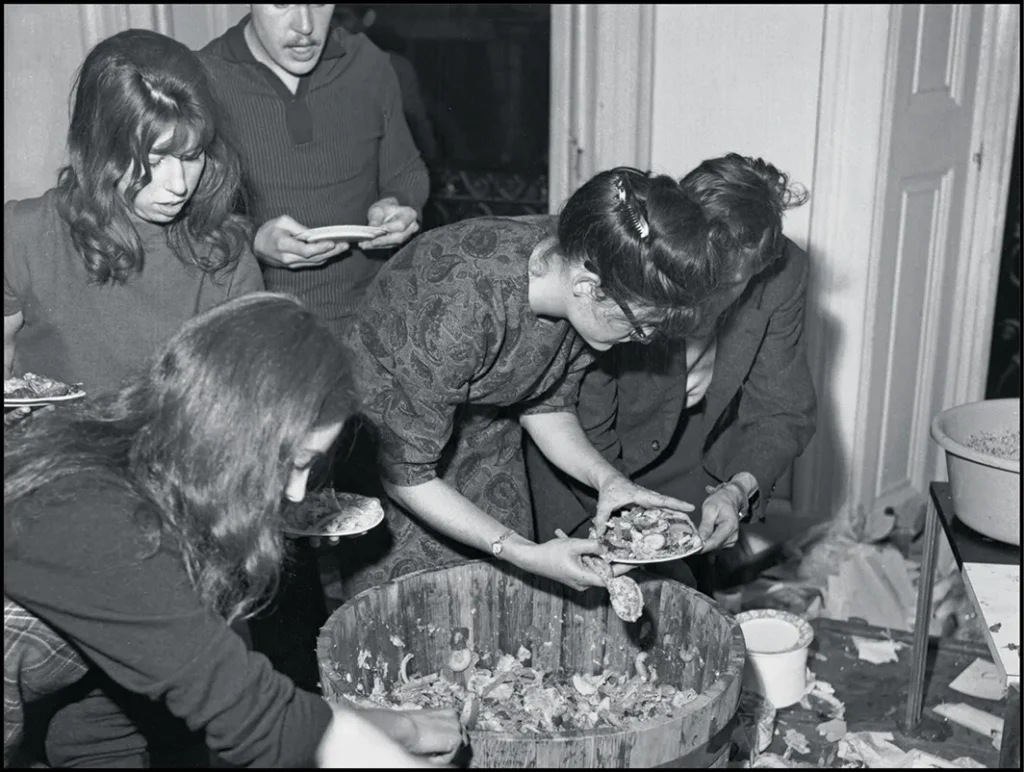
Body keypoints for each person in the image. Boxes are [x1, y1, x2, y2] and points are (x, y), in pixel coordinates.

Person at [4, 292, 465, 768]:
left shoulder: (160, 475)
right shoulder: (103, 521)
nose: (294, 494)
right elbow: (262, 726)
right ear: (227, 434)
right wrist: (404, 729)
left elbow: (102, 723)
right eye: (292, 462)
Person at [339, 166, 732, 598]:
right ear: (588, 287)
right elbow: (405, 473)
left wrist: (607, 480)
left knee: (501, 603)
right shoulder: (458, 309)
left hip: (479, 425)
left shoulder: (591, 256)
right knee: (419, 605)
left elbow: (546, 404)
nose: (646, 339)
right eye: (641, 327)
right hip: (385, 440)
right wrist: (522, 552)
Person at [525, 153, 817, 590]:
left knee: (684, 597)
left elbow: (782, 409)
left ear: (757, 270)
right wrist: (626, 533)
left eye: (724, 285)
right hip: (584, 459)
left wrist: (737, 489)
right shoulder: (638, 260)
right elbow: (583, 415)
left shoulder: (783, 274)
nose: (698, 298)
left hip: (691, 454)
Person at [3, 29, 264, 402]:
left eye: (192, 157)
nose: (178, 185)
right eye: (154, 160)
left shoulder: (226, 259)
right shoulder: (23, 235)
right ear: (100, 150)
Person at [198, 3, 430, 340]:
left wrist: (397, 203)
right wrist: (251, 241)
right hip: (254, 329)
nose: (305, 25)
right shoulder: (202, 78)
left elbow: (406, 170)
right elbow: (188, 220)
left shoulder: (369, 63)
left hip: (373, 320)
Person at [334, 5, 439, 164]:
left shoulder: (395, 68)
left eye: (342, 18)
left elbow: (417, 125)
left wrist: (433, 161)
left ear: (367, 19)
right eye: (327, 17)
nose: (333, 26)